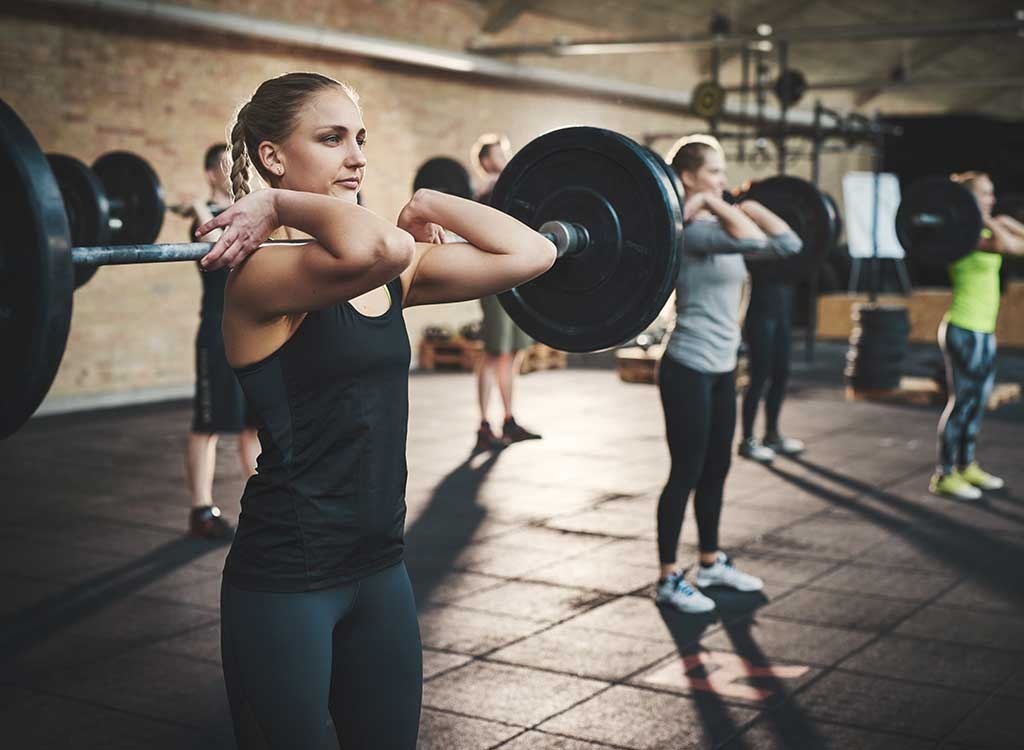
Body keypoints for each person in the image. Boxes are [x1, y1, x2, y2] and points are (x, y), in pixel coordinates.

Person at [194, 72, 555, 749]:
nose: (357, 157)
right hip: (287, 580)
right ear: (273, 156)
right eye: (332, 140)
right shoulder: (262, 278)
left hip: (381, 569)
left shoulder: (383, 275)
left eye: (361, 139)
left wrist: (429, 202)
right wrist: (278, 207)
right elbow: (381, 246)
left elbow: (532, 253)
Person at [654, 136, 802, 614]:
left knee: (717, 468)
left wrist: (751, 204)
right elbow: (753, 240)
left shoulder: (718, 226)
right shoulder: (691, 232)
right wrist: (713, 204)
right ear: (690, 175)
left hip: (720, 368)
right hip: (688, 366)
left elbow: (788, 243)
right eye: (713, 172)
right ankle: (668, 578)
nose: (723, 178)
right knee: (687, 472)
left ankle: (711, 560)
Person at [174, 143, 261, 539]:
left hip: (253, 330)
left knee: (252, 425)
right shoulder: (202, 219)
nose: (232, 174)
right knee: (207, 424)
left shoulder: (247, 214)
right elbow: (220, 250)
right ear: (211, 174)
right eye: (225, 168)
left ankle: (264, 505)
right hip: (215, 333)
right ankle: (200, 509)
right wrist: (196, 209)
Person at [929, 171, 1024, 500]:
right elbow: (1005, 245)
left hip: (984, 330)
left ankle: (966, 465)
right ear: (968, 200)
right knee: (962, 403)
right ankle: (944, 474)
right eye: (985, 194)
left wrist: (993, 217)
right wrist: (984, 217)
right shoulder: (960, 233)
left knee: (978, 403)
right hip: (964, 328)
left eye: (992, 193)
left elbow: (1021, 239)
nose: (992, 199)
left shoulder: (983, 223)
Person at [471, 133, 542, 452]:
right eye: (500, 152)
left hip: (516, 279)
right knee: (494, 353)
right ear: (486, 161)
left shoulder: (512, 186)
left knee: (511, 355)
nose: (506, 156)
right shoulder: (488, 188)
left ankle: (509, 420)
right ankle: (484, 425)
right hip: (494, 279)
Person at [738, 204, 806, 464]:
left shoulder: (786, 249)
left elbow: (799, 248)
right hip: (760, 315)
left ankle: (772, 434)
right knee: (759, 376)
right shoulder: (753, 244)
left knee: (781, 374)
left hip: (781, 315)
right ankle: (747, 439)